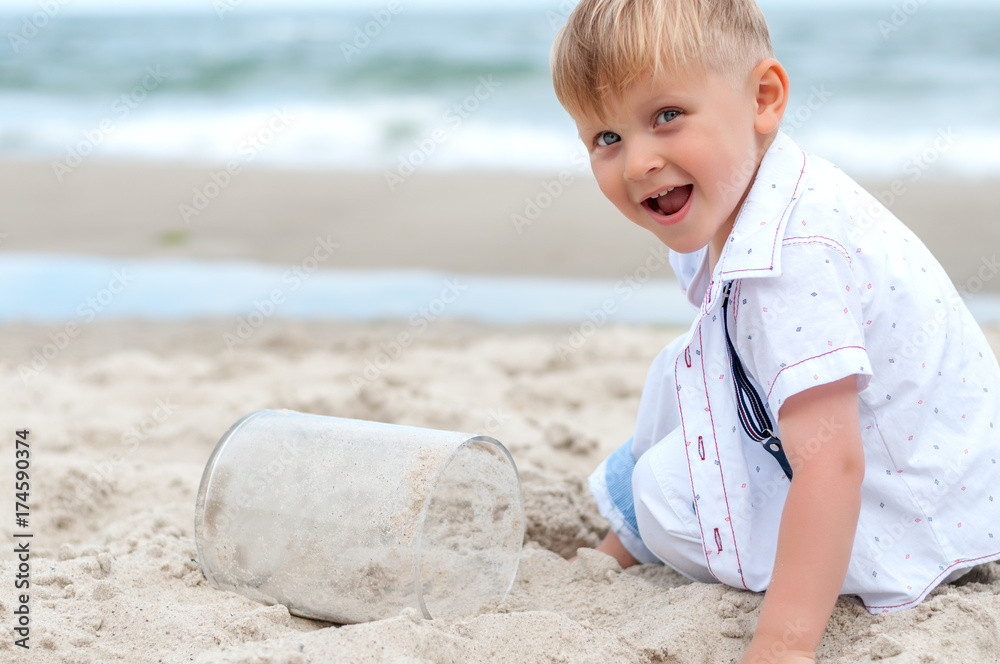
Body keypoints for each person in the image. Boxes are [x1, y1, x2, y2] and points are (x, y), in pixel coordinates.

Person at [550, 1, 1000, 662]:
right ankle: (626, 535)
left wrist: (784, 645)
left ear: (763, 98)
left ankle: (640, 522)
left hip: (905, 519)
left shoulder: (796, 259)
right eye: (606, 138)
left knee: (665, 491)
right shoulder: (751, 193)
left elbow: (833, 465)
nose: (639, 161)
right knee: (686, 364)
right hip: (923, 466)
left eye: (666, 117)